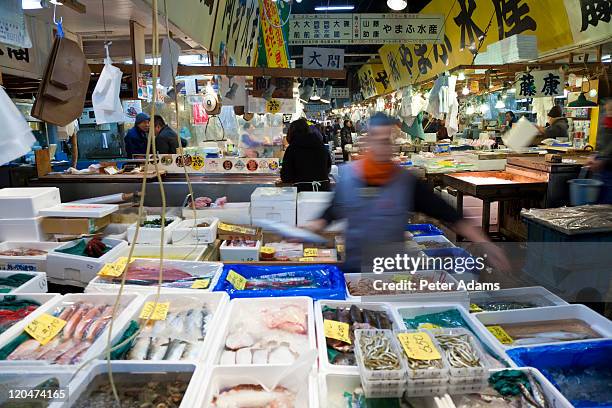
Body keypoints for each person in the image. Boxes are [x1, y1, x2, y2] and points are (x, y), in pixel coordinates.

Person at [307, 112, 509, 273]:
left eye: (388, 140)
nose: (382, 146)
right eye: (377, 139)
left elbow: (448, 214)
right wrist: (309, 228)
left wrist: (485, 243)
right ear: (368, 141)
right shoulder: (349, 177)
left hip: (391, 273)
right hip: (352, 271)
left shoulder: (406, 182)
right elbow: (332, 212)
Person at [281, 119, 331, 192]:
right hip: (323, 190)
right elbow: (328, 167)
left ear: (291, 132)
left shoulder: (292, 148)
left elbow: (286, 176)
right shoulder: (321, 145)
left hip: (301, 191)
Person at [587, 98, 612, 204]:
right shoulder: (605, 119)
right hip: (601, 172)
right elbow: (602, 143)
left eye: (610, 110)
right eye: (607, 110)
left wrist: (604, 161)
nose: (608, 113)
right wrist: (594, 155)